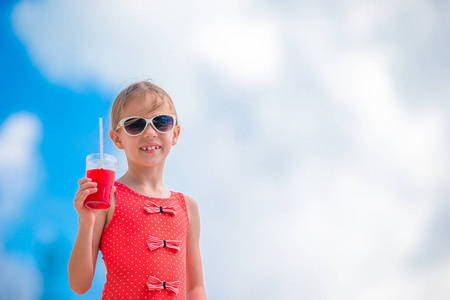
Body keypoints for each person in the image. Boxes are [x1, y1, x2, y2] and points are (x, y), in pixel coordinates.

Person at [68, 81, 207, 299]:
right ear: (117, 139)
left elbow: (195, 287)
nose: (150, 132)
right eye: (135, 124)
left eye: (161, 122)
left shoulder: (187, 207)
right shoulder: (108, 199)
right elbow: (79, 284)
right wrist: (86, 223)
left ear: (176, 133)